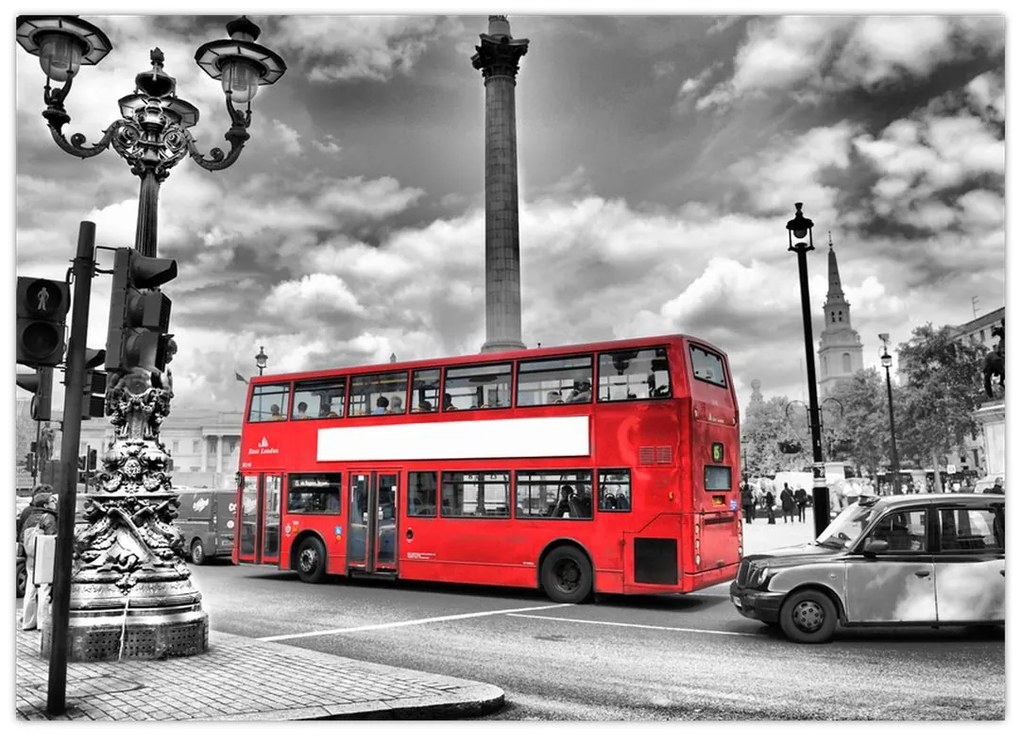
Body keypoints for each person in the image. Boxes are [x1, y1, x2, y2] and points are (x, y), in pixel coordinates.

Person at [19, 486, 58, 631]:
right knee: (45, 588)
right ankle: (43, 623)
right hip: (44, 556)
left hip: (30, 556)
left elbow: (21, 537)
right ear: (45, 505)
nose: (55, 502)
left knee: (30, 587)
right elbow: (52, 537)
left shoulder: (30, 516)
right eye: (52, 501)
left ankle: (28, 622)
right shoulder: (49, 517)